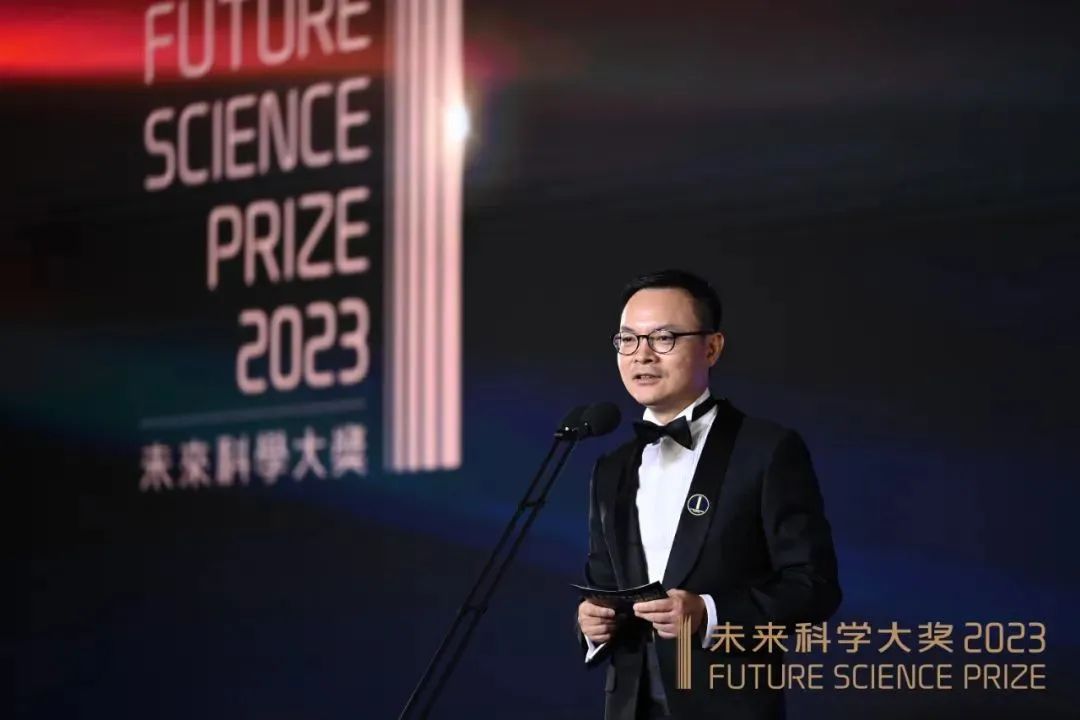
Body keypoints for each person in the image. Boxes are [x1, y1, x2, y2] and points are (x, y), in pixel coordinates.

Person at [576, 269, 842, 719]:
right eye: (628, 339)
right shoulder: (611, 467)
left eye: (664, 338)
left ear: (712, 347)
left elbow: (813, 586)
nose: (642, 355)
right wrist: (590, 621)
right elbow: (602, 585)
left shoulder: (767, 450)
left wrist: (708, 613)